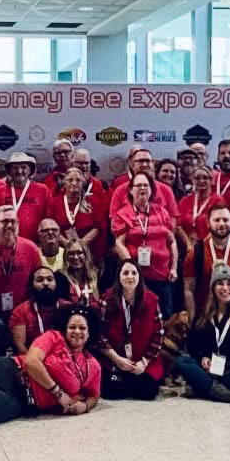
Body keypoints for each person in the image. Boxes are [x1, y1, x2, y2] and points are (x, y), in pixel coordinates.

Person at [176, 263, 230, 405]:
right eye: (220, 283)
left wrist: (225, 365)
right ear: (213, 288)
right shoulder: (203, 314)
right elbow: (192, 345)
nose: (225, 288)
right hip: (209, 369)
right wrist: (203, 357)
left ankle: (202, 387)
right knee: (181, 362)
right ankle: (229, 395)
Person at [111, 171, 178, 316]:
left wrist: (174, 267)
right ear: (131, 190)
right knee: (138, 314)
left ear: (151, 190)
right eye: (139, 185)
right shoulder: (123, 214)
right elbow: (119, 243)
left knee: (165, 314)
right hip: (136, 277)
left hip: (162, 275)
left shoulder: (162, 212)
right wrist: (131, 265)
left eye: (146, 185)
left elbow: (172, 241)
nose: (143, 188)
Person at [97, 259, 165, 400]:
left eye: (134, 273)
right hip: (115, 358)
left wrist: (144, 362)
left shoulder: (152, 300)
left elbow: (158, 336)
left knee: (148, 392)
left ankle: (126, 381)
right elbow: (100, 334)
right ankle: (126, 381)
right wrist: (117, 359)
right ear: (119, 277)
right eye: (125, 273)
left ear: (139, 277)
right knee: (109, 392)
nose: (130, 276)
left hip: (142, 360)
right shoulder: (107, 298)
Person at [0, 205, 43, 317]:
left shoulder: (31, 249)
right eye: (5, 221)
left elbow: (38, 281)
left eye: (13, 221)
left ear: (18, 223)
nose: (10, 225)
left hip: (23, 313)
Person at [9, 266, 66, 354]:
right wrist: (35, 361)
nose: (45, 283)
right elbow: (20, 346)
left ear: (56, 284)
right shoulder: (21, 311)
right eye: (39, 280)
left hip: (64, 357)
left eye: (50, 279)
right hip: (31, 357)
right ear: (31, 286)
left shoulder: (67, 307)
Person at [52, 166, 103, 260]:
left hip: (88, 252)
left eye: (78, 180)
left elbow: (97, 227)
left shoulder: (92, 202)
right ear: (64, 182)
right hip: (62, 251)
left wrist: (80, 245)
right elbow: (52, 227)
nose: (74, 183)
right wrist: (68, 245)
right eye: (70, 180)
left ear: (83, 183)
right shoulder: (54, 202)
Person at [108, 146, 174, 215]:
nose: (144, 164)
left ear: (153, 164)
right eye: (141, 161)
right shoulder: (120, 190)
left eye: (148, 161)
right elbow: (114, 217)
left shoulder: (166, 190)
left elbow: (173, 217)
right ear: (132, 164)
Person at [175, 163, 222, 252]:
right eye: (197, 178)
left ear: (211, 180)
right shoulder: (185, 200)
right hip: (187, 248)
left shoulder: (217, 200)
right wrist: (188, 245)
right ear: (192, 180)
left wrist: (201, 247)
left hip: (210, 248)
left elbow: (218, 226)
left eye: (205, 177)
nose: (201, 180)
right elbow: (178, 226)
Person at [3, 152, 50, 236]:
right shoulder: (0, 191)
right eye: (15, 168)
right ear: (9, 171)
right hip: (7, 240)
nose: (19, 171)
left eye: (23, 167)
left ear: (30, 170)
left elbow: (50, 217)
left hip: (36, 241)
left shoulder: (42, 190)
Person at [60, 236, 99, 305]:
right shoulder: (60, 278)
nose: (75, 257)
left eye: (79, 252)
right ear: (66, 257)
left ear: (86, 255)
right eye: (71, 253)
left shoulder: (98, 275)